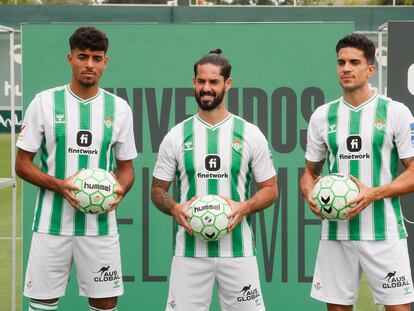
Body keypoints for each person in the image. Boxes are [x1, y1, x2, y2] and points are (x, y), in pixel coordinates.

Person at [16, 27, 137, 311]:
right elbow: (22, 165)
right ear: (70, 58)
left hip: (100, 226)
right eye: (83, 57)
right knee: (42, 304)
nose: (89, 65)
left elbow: (126, 169)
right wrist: (61, 186)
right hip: (50, 225)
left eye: (97, 58)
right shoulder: (44, 102)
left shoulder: (119, 109)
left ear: (105, 62)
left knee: (105, 304)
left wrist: (119, 190)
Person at [151, 49, 278, 311]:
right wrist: (175, 208)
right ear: (194, 82)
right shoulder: (176, 135)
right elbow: (157, 190)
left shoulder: (250, 134)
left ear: (227, 84)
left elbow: (270, 190)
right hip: (189, 254)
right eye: (201, 81)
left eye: (213, 82)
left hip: (238, 253)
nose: (206, 88)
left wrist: (243, 207)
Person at [300, 33, 414, 311]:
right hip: (337, 233)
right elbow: (309, 174)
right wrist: (310, 194)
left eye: (354, 62)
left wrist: (373, 193)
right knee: (338, 308)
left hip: (384, 231)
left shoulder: (395, 112)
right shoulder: (322, 116)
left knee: (398, 308)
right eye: (341, 63)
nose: (346, 68)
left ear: (371, 69)